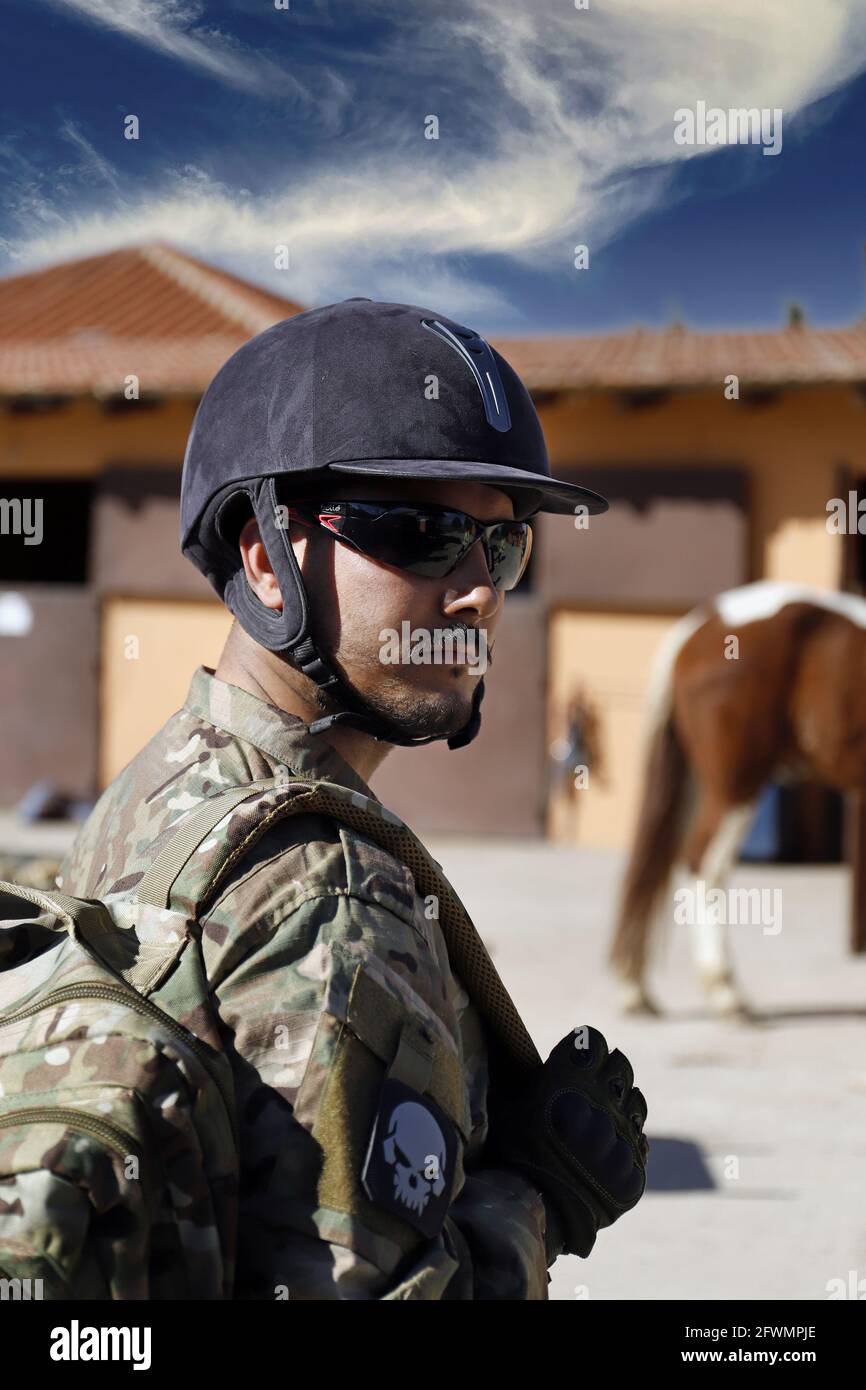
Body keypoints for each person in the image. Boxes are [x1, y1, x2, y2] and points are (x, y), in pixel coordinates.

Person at [59, 298, 648, 1300]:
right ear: (264, 555)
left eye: (502, 546)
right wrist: (540, 1199)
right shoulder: (330, 901)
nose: (477, 592)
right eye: (421, 533)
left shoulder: (154, 789)